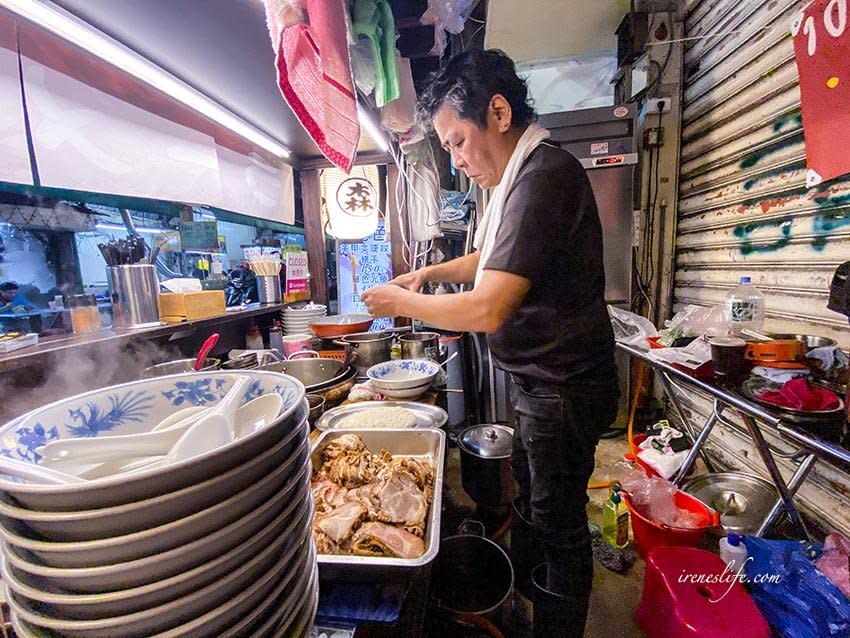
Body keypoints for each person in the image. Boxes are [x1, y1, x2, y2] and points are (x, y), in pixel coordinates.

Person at [361, 49, 619, 636]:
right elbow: (494, 258)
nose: (455, 159)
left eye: (456, 142)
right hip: (544, 384)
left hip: (563, 386)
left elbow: (488, 305)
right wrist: (429, 275)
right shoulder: (522, 178)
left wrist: (401, 302)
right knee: (534, 502)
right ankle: (526, 609)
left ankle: (553, 625)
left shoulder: (543, 176)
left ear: (498, 113)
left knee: (559, 526)